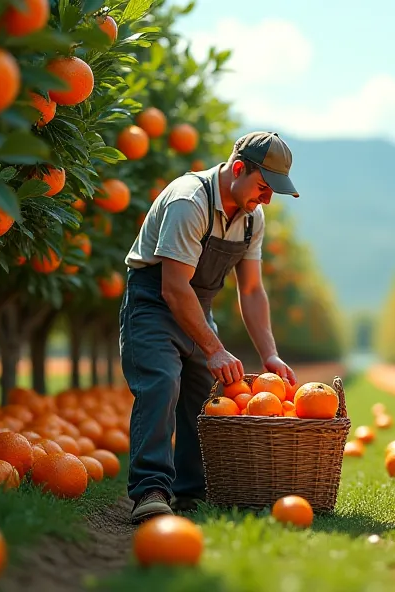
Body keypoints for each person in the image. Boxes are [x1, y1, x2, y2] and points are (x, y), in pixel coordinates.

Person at [119, 131, 300, 523]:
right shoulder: (190, 200)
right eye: (264, 187)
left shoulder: (252, 218)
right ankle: (150, 488)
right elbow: (172, 286)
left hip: (197, 304)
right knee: (162, 382)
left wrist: (269, 352)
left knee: (206, 396)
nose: (267, 199)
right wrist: (215, 347)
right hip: (153, 301)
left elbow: (251, 290)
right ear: (239, 169)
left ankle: (192, 491)